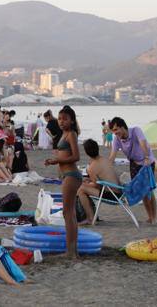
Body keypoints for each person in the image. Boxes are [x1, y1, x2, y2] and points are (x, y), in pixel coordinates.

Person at [44, 106, 81, 258]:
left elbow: (76, 156)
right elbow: (63, 155)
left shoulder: (71, 134)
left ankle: (70, 252)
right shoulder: (63, 134)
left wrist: (58, 160)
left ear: (71, 120)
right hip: (67, 176)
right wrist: (54, 160)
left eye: (65, 118)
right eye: (59, 118)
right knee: (70, 213)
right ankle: (73, 251)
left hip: (72, 175)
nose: (61, 121)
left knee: (67, 213)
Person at [107, 116, 157, 224]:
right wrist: (106, 167)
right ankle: (149, 216)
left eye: (116, 130)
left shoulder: (136, 130)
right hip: (134, 163)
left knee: (148, 190)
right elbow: (112, 155)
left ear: (123, 127)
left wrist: (147, 157)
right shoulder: (117, 139)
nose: (115, 133)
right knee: (141, 190)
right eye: (113, 131)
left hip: (147, 162)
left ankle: (153, 217)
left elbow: (143, 143)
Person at [78, 138, 120, 224]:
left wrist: (88, 184)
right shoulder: (105, 160)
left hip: (112, 195)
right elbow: (102, 179)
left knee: (81, 189)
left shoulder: (92, 167)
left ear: (86, 153)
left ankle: (90, 218)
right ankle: (92, 215)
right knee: (84, 187)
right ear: (97, 148)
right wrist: (90, 181)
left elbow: (97, 186)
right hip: (119, 192)